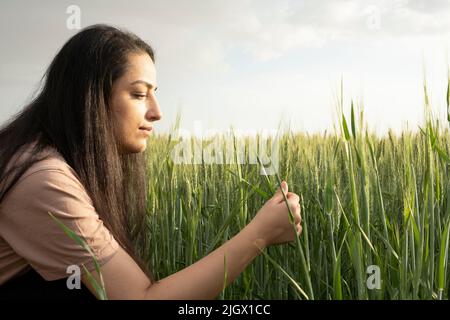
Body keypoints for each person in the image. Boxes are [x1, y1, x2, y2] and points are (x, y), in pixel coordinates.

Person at [0, 24, 302, 300]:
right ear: (89, 98)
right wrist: (259, 234)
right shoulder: (43, 180)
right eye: (138, 94)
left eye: (154, 94)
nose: (157, 112)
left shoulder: (44, 158)